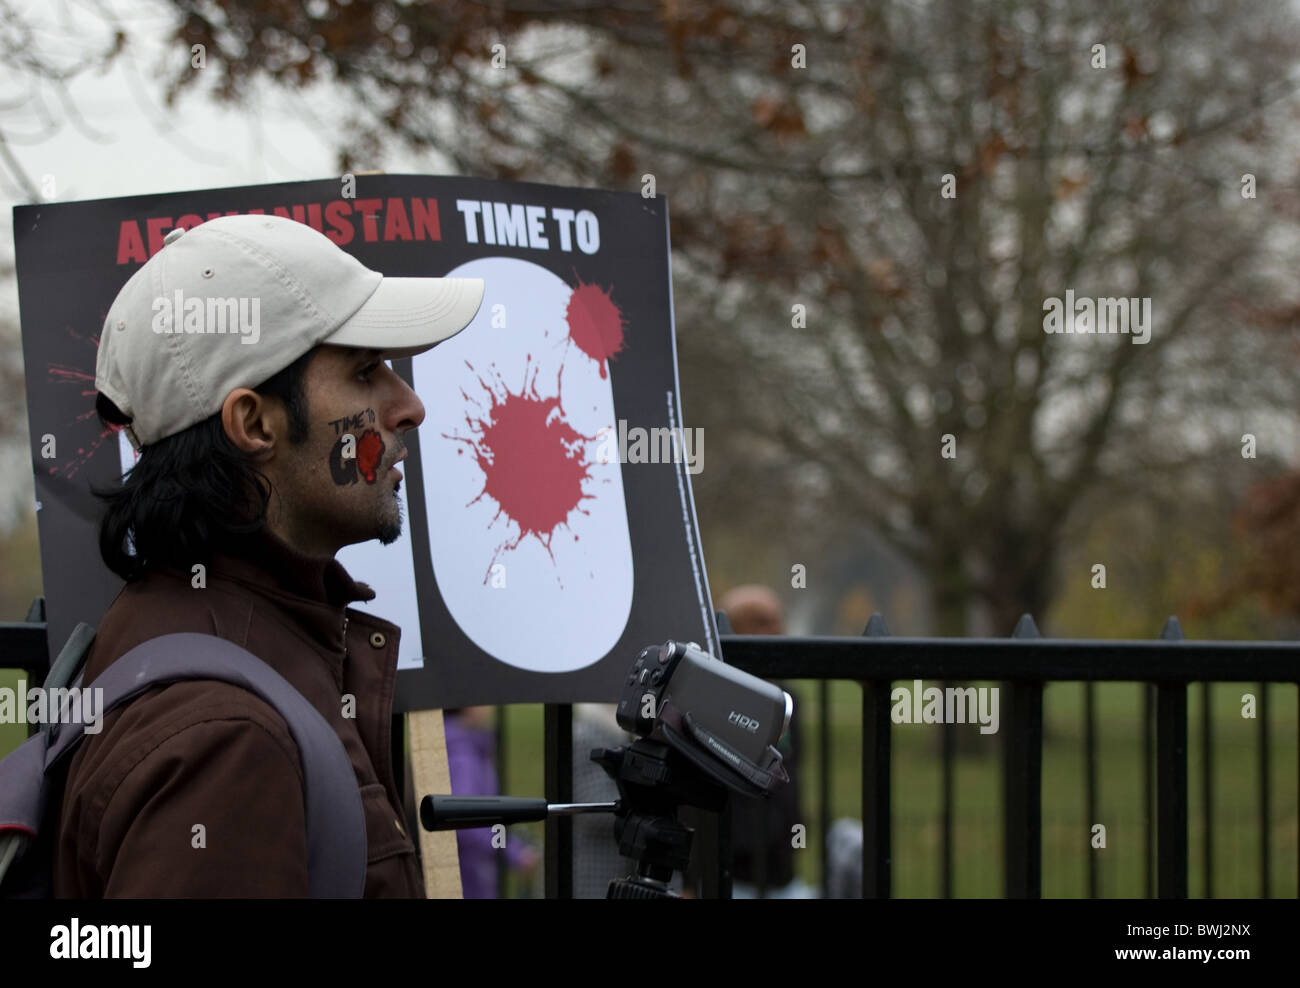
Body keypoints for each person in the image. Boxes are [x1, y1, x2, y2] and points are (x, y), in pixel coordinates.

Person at [52, 214, 483, 897]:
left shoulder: (198, 628)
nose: (409, 407)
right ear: (254, 423)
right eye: (367, 370)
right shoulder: (226, 739)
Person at [717, 584, 813, 899]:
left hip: (784, 871)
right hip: (731, 873)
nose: (776, 630)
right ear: (730, 629)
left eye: (777, 620)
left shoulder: (789, 701)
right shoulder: (714, 703)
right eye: (760, 621)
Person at [443, 706, 540, 897]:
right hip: (469, 879)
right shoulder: (462, 755)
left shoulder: (469, 746)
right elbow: (466, 820)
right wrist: (514, 852)